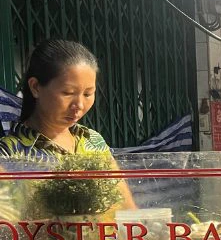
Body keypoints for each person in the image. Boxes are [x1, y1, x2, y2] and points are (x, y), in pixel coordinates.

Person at [0, 39, 135, 208]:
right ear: (35, 87)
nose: (78, 105)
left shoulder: (94, 141)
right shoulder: (9, 153)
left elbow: (128, 210)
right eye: (68, 93)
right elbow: (9, 226)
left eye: (88, 94)